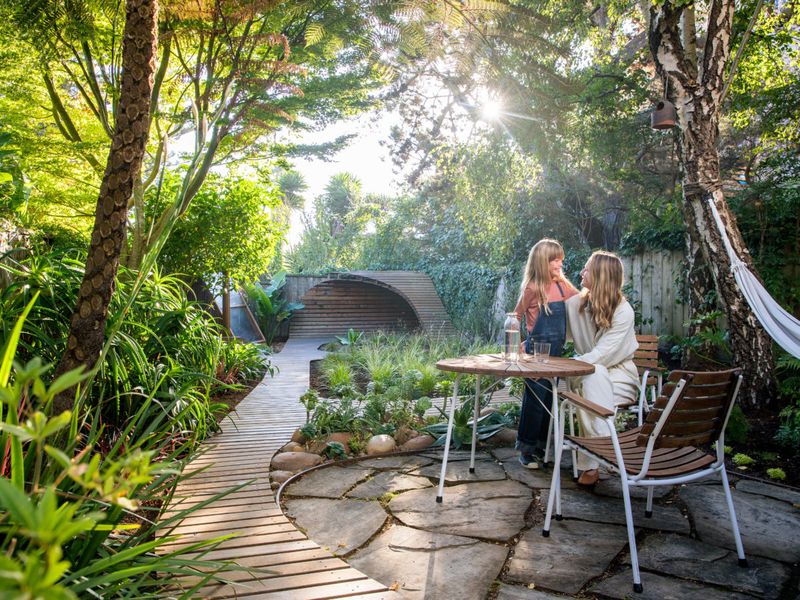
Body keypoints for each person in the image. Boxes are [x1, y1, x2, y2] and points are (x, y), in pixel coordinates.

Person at [566, 250, 639, 486]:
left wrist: (569, 366)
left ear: (599, 275)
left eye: (586, 269)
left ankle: (594, 462)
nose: (581, 272)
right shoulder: (579, 305)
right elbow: (558, 311)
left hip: (621, 377)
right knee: (592, 377)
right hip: (588, 374)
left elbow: (602, 355)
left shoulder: (623, 311)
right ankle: (608, 451)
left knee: (592, 377)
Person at [514, 239, 578, 469]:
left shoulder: (562, 286)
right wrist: (519, 344)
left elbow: (582, 303)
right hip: (536, 354)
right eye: (555, 259)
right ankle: (526, 450)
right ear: (543, 261)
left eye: (561, 258)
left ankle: (541, 448)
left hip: (557, 354)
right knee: (535, 401)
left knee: (549, 400)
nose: (561, 262)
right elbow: (516, 316)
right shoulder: (532, 287)